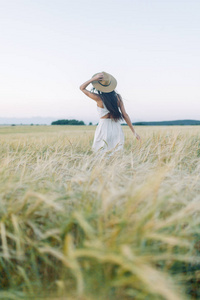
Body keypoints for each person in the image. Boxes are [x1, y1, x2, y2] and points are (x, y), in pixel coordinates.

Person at [80, 71, 140, 153]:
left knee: (100, 153)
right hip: (116, 126)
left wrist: (93, 79)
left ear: (99, 86)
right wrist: (134, 132)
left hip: (103, 126)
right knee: (116, 153)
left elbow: (82, 88)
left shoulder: (98, 98)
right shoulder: (118, 97)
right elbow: (125, 115)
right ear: (111, 86)